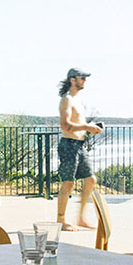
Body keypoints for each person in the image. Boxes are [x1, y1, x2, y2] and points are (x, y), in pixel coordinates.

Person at [56, 67, 103, 230]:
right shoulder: (67, 99)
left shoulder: (78, 99)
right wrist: (87, 126)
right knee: (68, 183)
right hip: (68, 145)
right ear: (72, 79)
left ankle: (81, 218)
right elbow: (65, 125)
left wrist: (90, 128)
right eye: (82, 78)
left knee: (90, 180)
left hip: (79, 145)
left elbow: (77, 124)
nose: (85, 80)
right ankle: (61, 220)